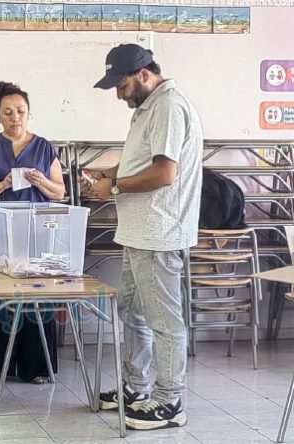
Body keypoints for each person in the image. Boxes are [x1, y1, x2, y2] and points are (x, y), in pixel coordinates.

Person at [87, 44, 203, 430]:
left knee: (164, 321)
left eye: (120, 85)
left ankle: (170, 402)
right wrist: (107, 177)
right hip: (138, 233)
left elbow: (164, 174)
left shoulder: (168, 105)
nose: (118, 94)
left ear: (142, 74)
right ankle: (136, 388)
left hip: (159, 233)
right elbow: (141, 161)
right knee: (133, 313)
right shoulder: (147, 108)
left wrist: (115, 187)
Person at [0, 81, 67, 385]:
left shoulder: (44, 147)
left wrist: (40, 183)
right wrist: (2, 185)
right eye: (8, 113)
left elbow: (59, 192)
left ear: (29, 113)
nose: (15, 118)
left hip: (35, 232)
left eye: (20, 112)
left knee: (37, 297)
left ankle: (38, 365)